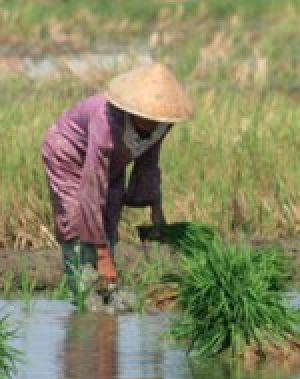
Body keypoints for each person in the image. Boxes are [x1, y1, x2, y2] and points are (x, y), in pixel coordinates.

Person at [42, 62, 193, 308]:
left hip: (113, 160)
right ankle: (84, 290)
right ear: (132, 110)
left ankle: (106, 288)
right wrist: (102, 256)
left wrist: (157, 213)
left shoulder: (162, 124)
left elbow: (148, 162)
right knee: (75, 218)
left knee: (111, 210)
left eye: (156, 118)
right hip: (68, 154)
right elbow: (91, 190)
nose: (151, 122)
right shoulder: (105, 123)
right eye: (146, 116)